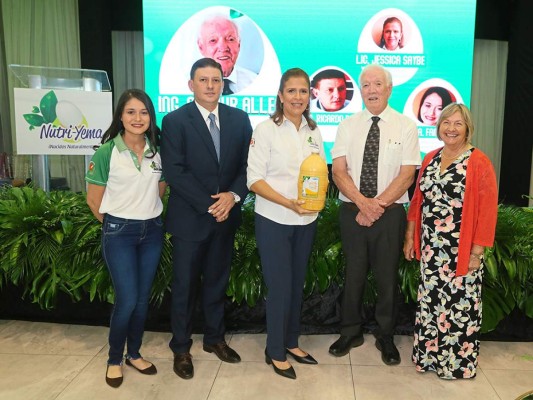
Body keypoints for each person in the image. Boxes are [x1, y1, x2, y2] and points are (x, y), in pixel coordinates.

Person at [160, 57, 253, 380]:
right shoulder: (174, 121)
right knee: (184, 287)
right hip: (190, 220)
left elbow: (247, 167)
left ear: (223, 84)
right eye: (204, 80)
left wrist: (232, 196)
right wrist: (211, 204)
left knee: (217, 283)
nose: (211, 86)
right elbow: (175, 171)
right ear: (191, 85)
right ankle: (181, 348)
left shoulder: (240, 120)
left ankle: (214, 339)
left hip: (226, 217)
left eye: (216, 80)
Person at [328, 64, 421, 365]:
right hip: (352, 211)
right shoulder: (347, 125)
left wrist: (376, 206)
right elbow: (339, 172)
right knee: (353, 274)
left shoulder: (406, 126)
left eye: (377, 84)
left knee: (386, 278)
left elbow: (407, 175)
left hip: (390, 213)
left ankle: (385, 336)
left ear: (389, 89)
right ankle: (350, 331)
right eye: (365, 84)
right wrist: (362, 203)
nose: (371, 90)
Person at [403, 103, 498, 379]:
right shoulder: (430, 158)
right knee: (431, 304)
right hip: (432, 251)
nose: (451, 128)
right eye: (446, 122)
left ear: (468, 128)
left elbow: (487, 210)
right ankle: (429, 358)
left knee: (459, 307)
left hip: (462, 251)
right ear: (438, 126)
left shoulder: (479, 162)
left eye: (458, 123)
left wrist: (477, 252)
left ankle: (455, 365)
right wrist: (411, 235)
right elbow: (418, 201)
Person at [247, 68, 325, 380]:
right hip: (274, 219)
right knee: (279, 285)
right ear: (280, 95)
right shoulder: (265, 130)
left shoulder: (313, 130)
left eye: (303, 91)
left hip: (306, 220)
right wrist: (288, 202)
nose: (297, 97)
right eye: (291, 91)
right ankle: (275, 350)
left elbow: (317, 172)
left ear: (310, 96)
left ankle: (291, 341)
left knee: (295, 283)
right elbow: (254, 180)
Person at [85, 89, 166, 388]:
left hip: (152, 231)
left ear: (150, 117)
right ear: (120, 115)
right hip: (120, 233)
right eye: (131, 112)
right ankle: (114, 358)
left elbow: (160, 189)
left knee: (142, 300)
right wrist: (120, 221)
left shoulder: (157, 151)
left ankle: (134, 353)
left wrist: (144, 213)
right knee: (127, 299)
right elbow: (94, 202)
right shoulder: (107, 152)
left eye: (143, 112)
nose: (137, 118)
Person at [197, 14, 258, 94]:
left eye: (230, 39)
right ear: (201, 47)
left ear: (238, 44)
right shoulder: (186, 85)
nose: (223, 48)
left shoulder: (254, 81)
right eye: (213, 40)